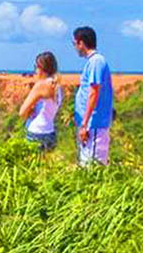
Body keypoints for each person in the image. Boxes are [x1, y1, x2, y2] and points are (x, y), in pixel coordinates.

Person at [72, 26, 113, 165]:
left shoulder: (96, 61)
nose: (75, 48)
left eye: (75, 43)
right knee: (86, 164)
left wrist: (84, 123)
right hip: (91, 124)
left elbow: (94, 92)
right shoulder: (93, 62)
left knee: (93, 166)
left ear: (81, 43)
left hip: (93, 124)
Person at [18, 51, 62, 151]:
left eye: (36, 67)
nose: (35, 71)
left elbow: (22, 112)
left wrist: (29, 112)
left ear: (41, 68)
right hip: (50, 132)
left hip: (36, 132)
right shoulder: (57, 86)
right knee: (47, 166)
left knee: (33, 166)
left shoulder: (41, 85)